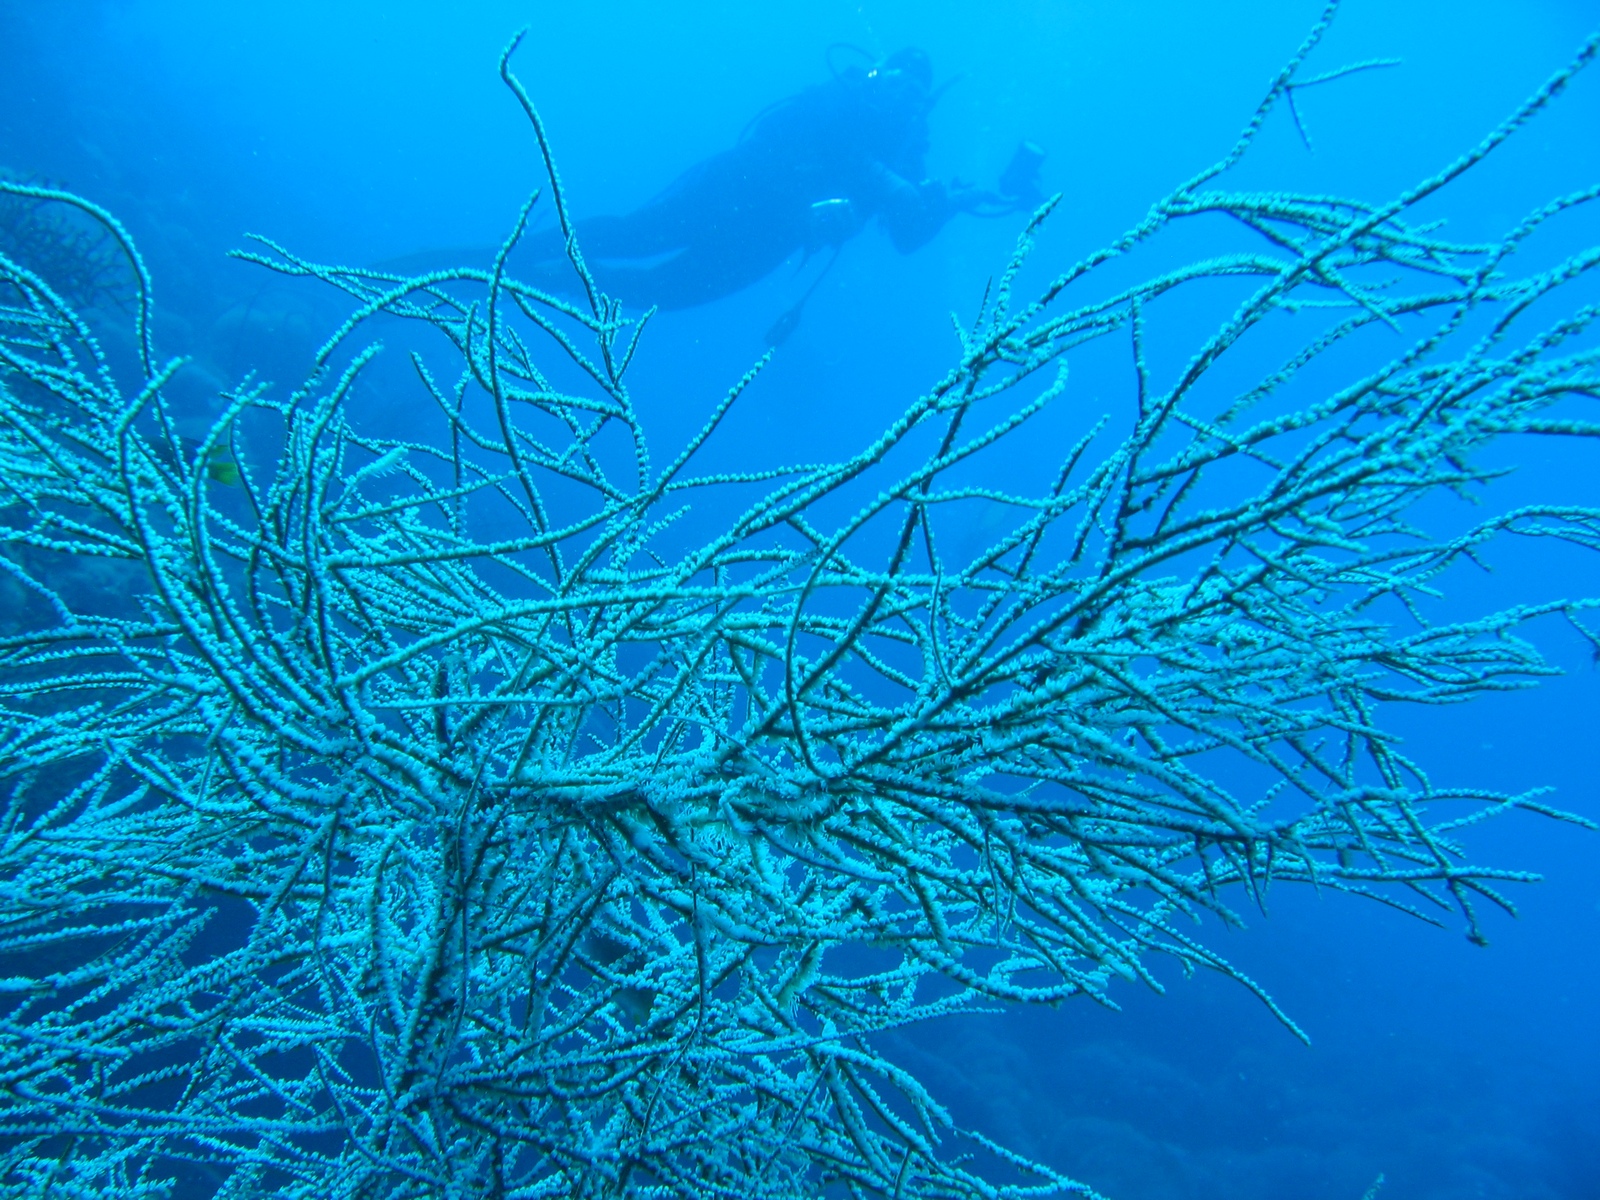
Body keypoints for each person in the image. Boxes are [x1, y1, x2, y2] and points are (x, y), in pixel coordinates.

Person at [522, 47, 1044, 328]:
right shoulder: (842, 98)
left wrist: (953, 202)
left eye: (915, 95)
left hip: (771, 241)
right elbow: (800, 143)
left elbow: (907, 237)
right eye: (898, 84)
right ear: (879, 77)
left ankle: (547, 277)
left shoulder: (907, 151)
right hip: (726, 193)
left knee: (666, 294)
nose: (903, 99)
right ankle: (517, 255)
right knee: (631, 236)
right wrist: (893, 185)